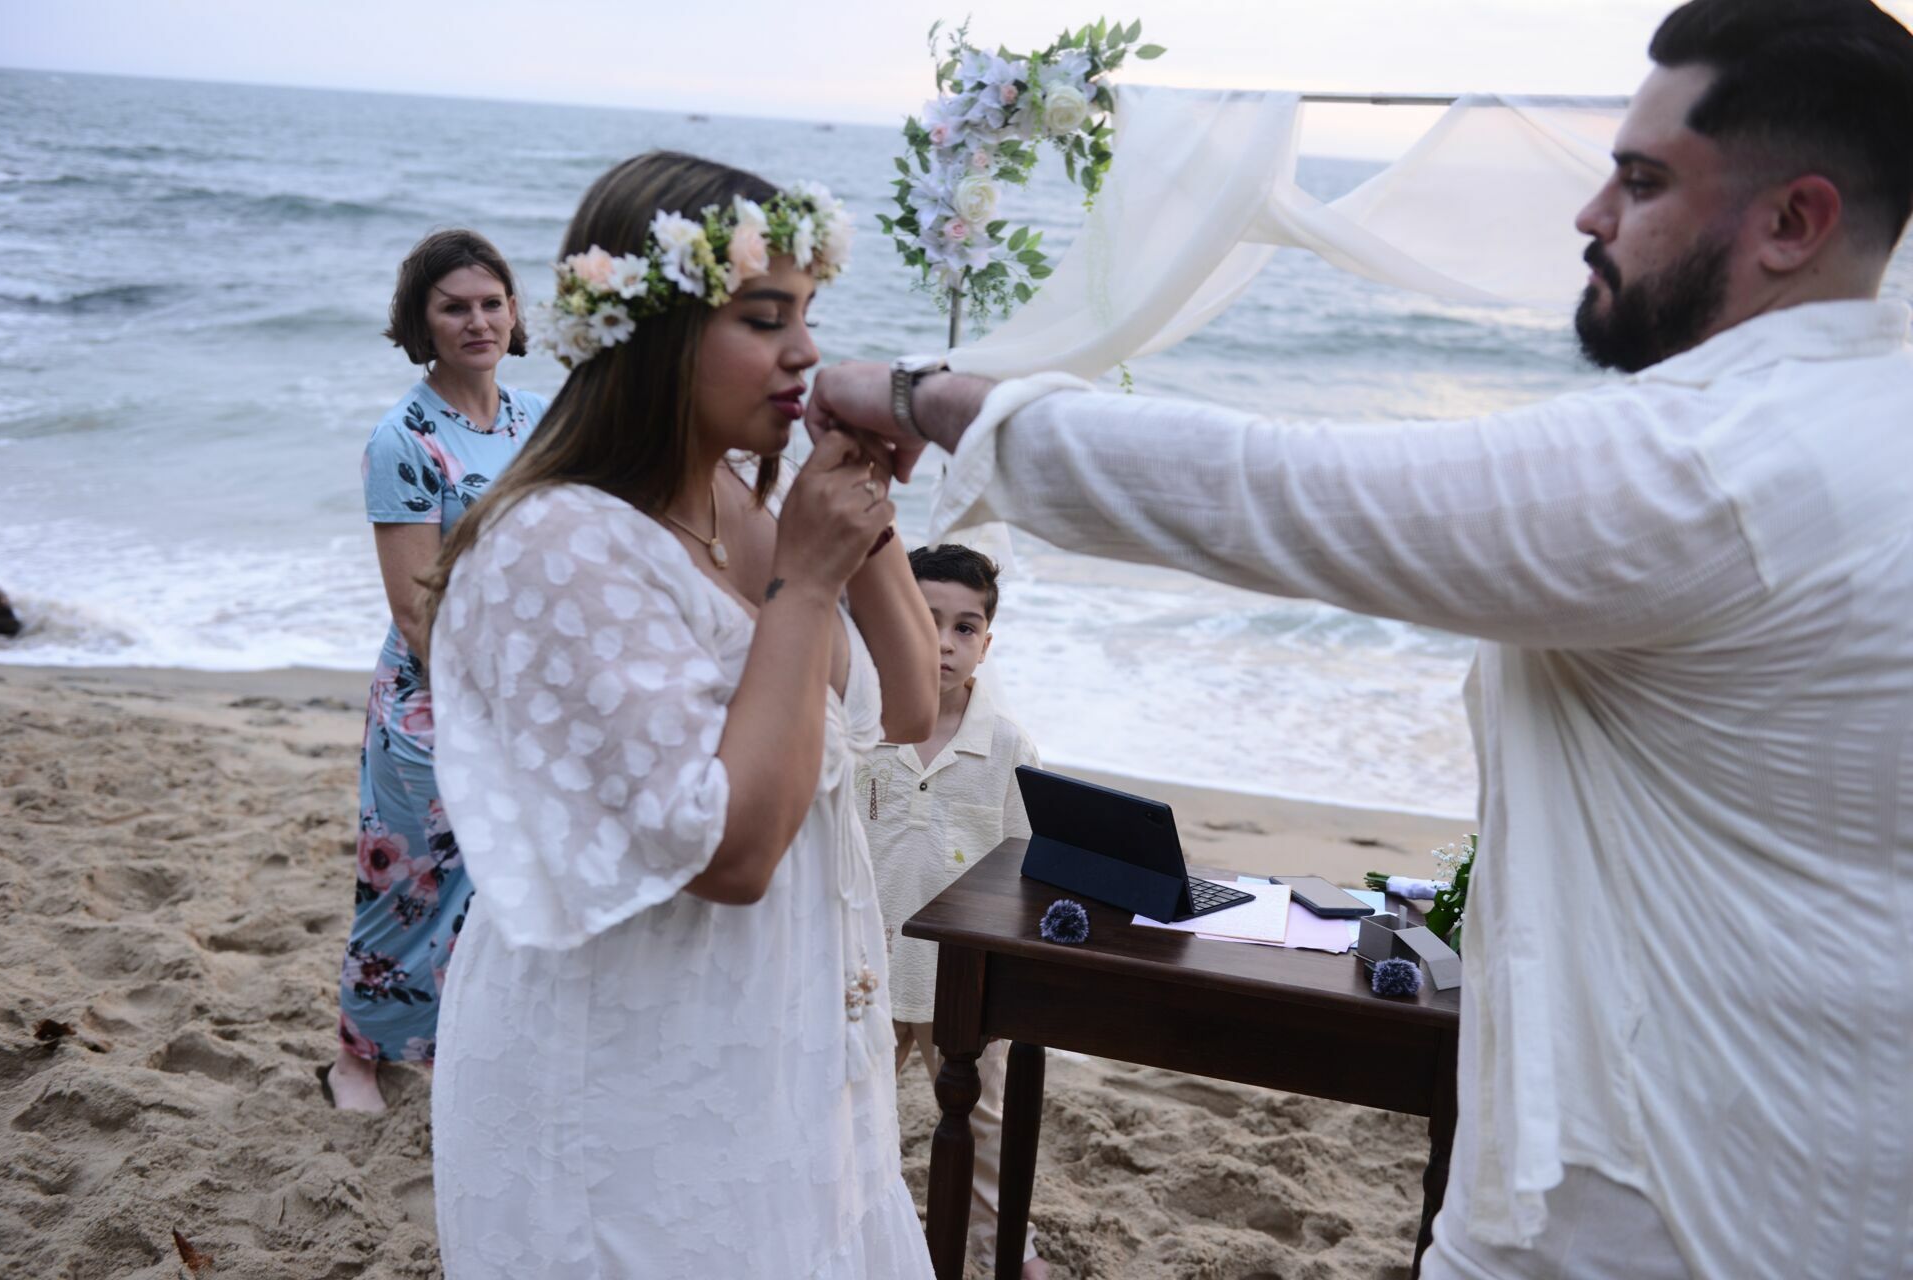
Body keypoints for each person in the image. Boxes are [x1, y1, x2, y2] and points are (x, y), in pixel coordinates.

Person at [809, 3, 1913, 1276]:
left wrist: (918, 398)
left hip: (1670, 1207)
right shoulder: (1864, 428)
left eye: (1645, 179)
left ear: (1795, 221)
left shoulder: (1732, 465)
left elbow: (1289, 493)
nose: (1591, 214)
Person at [422, 151, 940, 1278]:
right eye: (766, 316)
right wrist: (804, 584)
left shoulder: (742, 516)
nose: (805, 351)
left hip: (773, 1046)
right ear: (650, 330)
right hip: (632, 1075)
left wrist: (861, 508)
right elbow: (731, 847)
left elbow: (908, 703)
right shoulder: (559, 543)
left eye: (810, 315)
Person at [324, 229, 547, 1112]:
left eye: (491, 302)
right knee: (406, 887)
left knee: (494, 883)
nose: (478, 320)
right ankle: (354, 1054)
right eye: (454, 306)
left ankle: (453, 1043)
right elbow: (417, 610)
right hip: (436, 702)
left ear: (514, 311)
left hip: (526, 685)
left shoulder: (535, 417)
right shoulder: (404, 439)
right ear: (422, 321)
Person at [856, 543, 1046, 1278]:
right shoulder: (859, 726)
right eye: (925, 618)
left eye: (965, 628)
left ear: (986, 645)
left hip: (958, 979)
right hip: (863, 971)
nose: (943, 641)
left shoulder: (1006, 747)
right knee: (848, 1114)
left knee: (984, 1128)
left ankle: (1008, 1251)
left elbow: (1028, 868)